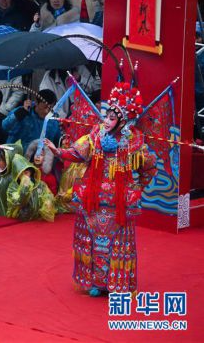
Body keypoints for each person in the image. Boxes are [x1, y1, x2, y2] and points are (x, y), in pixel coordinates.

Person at [43, 82, 158, 296]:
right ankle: (96, 283)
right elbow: (77, 154)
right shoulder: (95, 137)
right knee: (95, 242)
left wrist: (137, 187)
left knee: (116, 243)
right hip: (94, 200)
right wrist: (57, 151)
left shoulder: (132, 142)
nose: (106, 121)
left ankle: (116, 284)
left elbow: (150, 167)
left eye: (112, 118)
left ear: (122, 121)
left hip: (119, 204)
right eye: (106, 117)